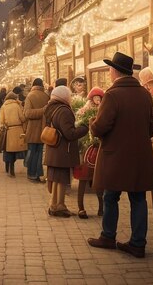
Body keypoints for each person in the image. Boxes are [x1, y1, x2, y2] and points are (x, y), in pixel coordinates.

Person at [87, 52, 153, 259]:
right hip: (139, 156)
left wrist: (92, 124)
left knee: (111, 196)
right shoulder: (145, 94)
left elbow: (100, 127)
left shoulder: (112, 95)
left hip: (115, 156)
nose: (109, 72)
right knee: (138, 199)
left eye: (110, 69)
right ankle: (138, 244)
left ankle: (108, 236)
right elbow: (151, 127)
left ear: (115, 71)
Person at [44, 86, 89, 217]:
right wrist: (84, 128)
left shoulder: (51, 108)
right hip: (62, 150)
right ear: (64, 96)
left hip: (54, 149)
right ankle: (59, 206)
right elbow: (69, 133)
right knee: (62, 178)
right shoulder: (64, 110)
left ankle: (55, 204)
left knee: (57, 178)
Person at [75, 87, 105, 219]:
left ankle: (101, 208)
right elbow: (80, 126)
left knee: (98, 180)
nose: (98, 100)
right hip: (86, 149)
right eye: (95, 98)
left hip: (98, 149)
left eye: (100, 98)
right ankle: (81, 207)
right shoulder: (84, 111)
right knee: (83, 179)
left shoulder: (104, 111)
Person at [23, 78, 49, 183]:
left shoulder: (30, 96)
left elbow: (27, 113)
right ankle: (38, 174)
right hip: (44, 129)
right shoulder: (46, 96)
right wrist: (43, 111)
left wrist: (40, 111)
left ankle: (31, 173)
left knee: (32, 152)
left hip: (33, 129)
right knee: (39, 154)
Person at [0, 92, 26, 177]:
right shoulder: (17, 106)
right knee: (15, 150)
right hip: (18, 130)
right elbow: (22, 118)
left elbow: (1, 120)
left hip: (8, 130)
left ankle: (9, 168)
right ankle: (12, 168)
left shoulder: (3, 107)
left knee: (8, 150)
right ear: (15, 98)